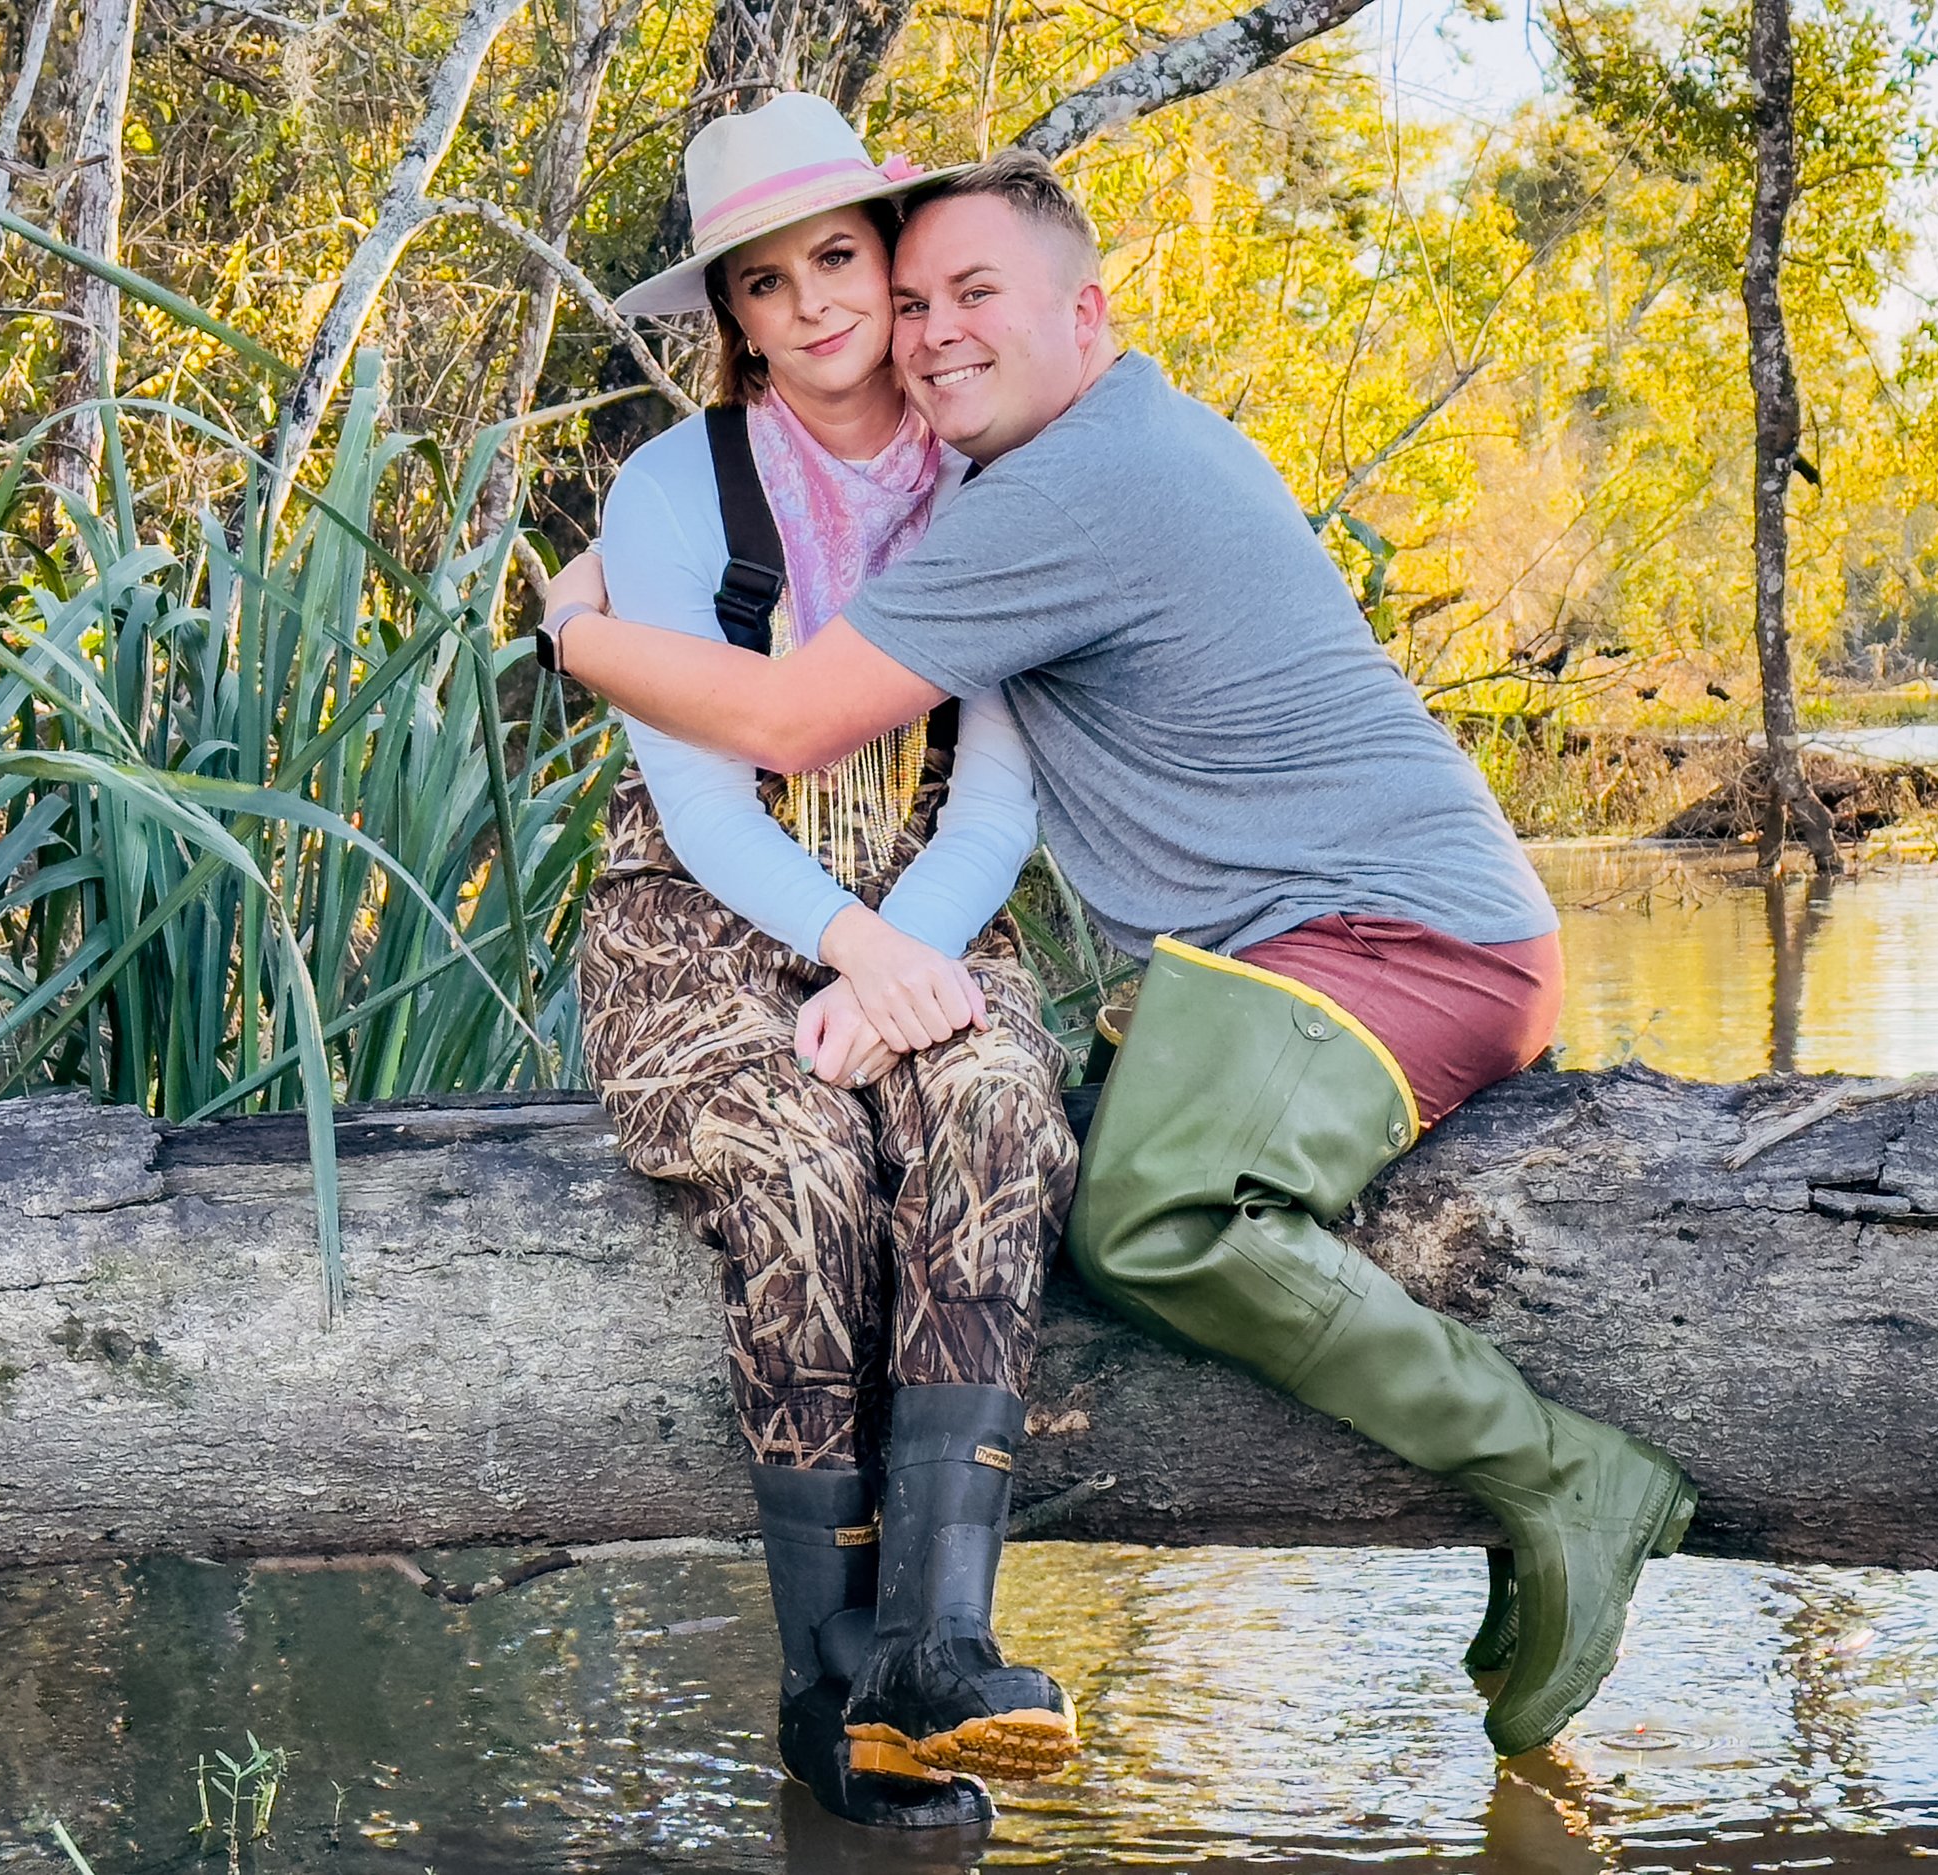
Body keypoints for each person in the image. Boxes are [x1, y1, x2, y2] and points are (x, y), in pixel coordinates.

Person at [543, 148, 1696, 1762]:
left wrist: (577, 634)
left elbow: (803, 722)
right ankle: (856, 1689)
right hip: (1305, 939)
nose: (924, 330)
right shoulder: (1014, 465)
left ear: (1086, 312)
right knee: (1019, 1154)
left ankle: (1559, 1474)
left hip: (1404, 942)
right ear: (735, 316)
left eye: (965, 295)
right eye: (916, 295)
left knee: (1141, 1208)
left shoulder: (1066, 485)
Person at [547, 96, 1081, 1834]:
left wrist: (896, 969)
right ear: (738, 316)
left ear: (888, 259)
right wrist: (842, 959)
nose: (817, 304)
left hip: (934, 903)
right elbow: (702, 805)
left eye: (839, 258)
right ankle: (824, 1683)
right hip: (697, 930)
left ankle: (942, 1647)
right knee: (795, 1150)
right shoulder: (668, 489)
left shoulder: (995, 474)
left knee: (998, 1098)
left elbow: (994, 792)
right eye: (767, 283)